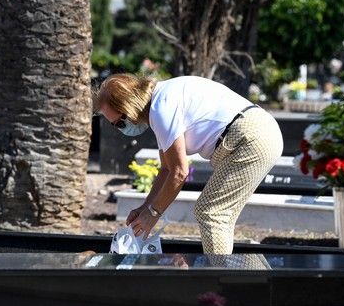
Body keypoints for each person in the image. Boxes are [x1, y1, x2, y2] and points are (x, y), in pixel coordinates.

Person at [94, 74, 283, 253]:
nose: (121, 129)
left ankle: (219, 283)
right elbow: (167, 169)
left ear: (129, 106)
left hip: (251, 137)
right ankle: (228, 278)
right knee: (219, 216)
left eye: (119, 123)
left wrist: (152, 214)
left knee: (211, 213)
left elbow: (179, 173)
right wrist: (145, 207)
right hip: (257, 133)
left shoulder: (161, 109)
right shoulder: (161, 101)